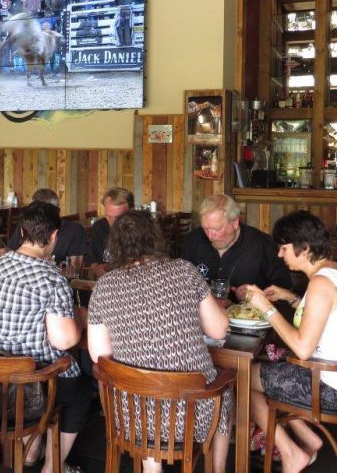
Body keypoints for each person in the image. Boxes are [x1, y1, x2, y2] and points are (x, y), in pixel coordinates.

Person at [87, 210, 232, 473]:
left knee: (143, 394)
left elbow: (99, 355)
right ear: (156, 238)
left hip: (133, 415)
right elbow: (219, 330)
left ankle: (152, 468)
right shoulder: (184, 271)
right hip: (192, 411)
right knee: (226, 389)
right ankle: (217, 470)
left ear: (116, 245)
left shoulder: (104, 286)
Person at [242, 210, 337, 473]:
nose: (279, 254)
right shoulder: (336, 271)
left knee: (241, 379)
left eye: (284, 248)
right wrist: (291, 298)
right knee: (262, 370)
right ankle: (308, 439)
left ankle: (291, 454)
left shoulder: (321, 283)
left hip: (331, 389)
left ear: (305, 248)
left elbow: (302, 348)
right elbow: (321, 319)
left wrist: (266, 307)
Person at [0, 201, 89, 473]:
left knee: (24, 381)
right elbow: (64, 341)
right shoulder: (52, 278)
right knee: (80, 392)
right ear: (54, 236)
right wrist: (80, 319)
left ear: (22, 232)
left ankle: (31, 449)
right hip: (32, 383)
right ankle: (53, 466)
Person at [182, 194, 292, 302]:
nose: (210, 236)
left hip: (249, 312)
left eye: (217, 229)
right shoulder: (194, 240)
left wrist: (256, 295)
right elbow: (181, 284)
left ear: (235, 222)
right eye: (205, 229)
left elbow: (282, 290)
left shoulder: (263, 244)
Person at [0, 188, 87, 265]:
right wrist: (5, 251)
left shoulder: (74, 230)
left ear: (57, 211)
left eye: (44, 212)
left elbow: (75, 268)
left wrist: (50, 267)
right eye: (35, 211)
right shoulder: (27, 225)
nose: (39, 215)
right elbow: (12, 249)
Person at [85, 187, 133, 279]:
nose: (113, 222)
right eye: (109, 216)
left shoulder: (140, 231)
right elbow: (90, 258)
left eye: (118, 217)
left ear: (131, 212)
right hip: (105, 281)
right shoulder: (99, 227)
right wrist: (96, 268)